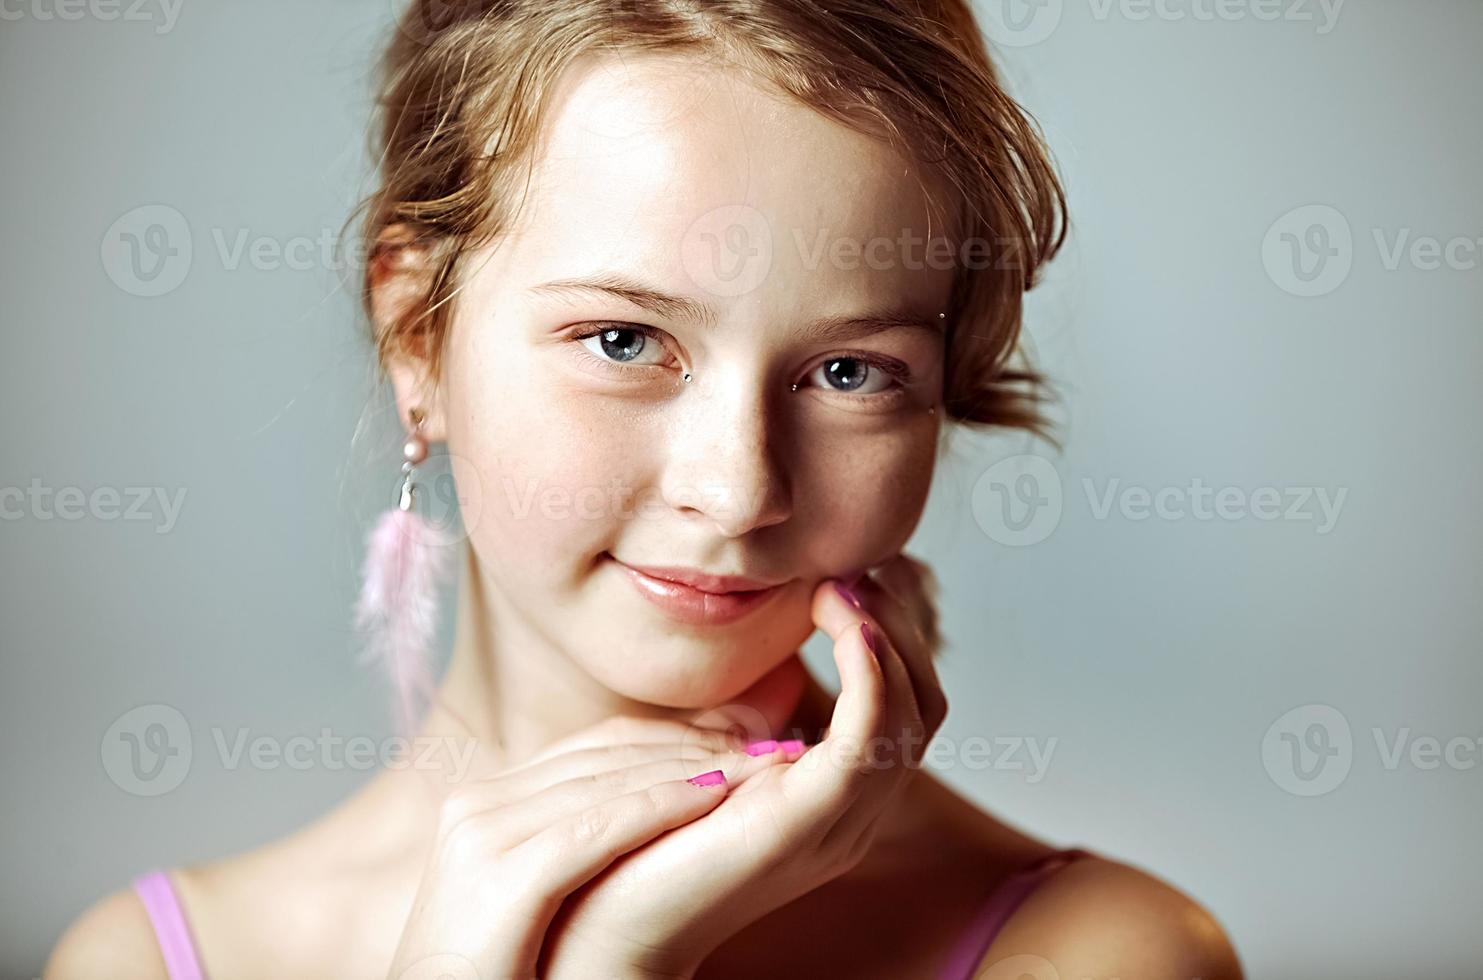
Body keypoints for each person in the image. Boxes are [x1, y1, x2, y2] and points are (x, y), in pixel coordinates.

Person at [46, 1, 1243, 977]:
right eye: (624, 341)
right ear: (418, 337)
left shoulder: (1098, 954)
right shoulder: (151, 962)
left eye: (848, 371)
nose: (737, 489)